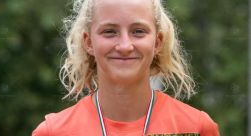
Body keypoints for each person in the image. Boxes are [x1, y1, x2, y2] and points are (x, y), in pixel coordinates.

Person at [32, 0, 220, 135]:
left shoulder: (196, 128)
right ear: (89, 42)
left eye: (138, 31)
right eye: (109, 32)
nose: (124, 46)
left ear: (157, 42)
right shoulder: (53, 132)